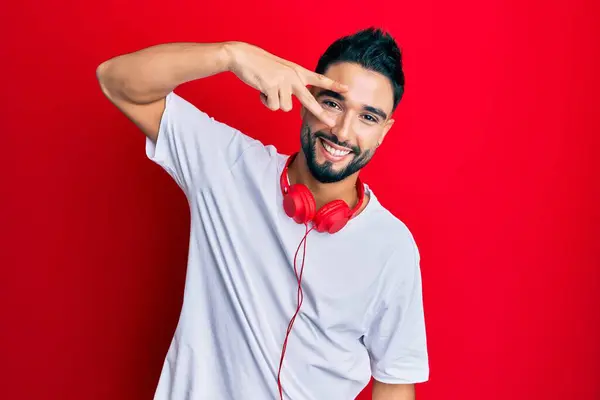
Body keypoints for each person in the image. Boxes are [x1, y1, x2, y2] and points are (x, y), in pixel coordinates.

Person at [96, 27, 429, 400]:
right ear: (306, 98)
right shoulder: (227, 165)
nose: (342, 131)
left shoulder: (392, 247)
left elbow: (395, 379)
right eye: (332, 104)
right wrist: (230, 54)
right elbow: (115, 81)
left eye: (368, 118)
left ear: (384, 131)